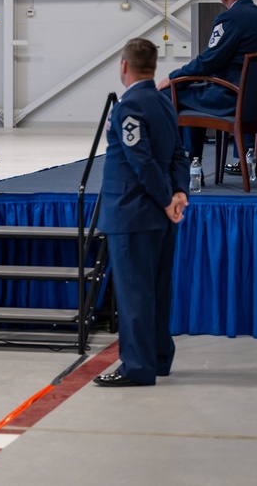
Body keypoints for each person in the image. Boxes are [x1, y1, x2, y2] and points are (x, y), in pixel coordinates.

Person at [94, 38, 190, 388]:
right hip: (161, 217)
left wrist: (167, 198)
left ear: (124, 66)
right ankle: (159, 357)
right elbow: (179, 153)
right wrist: (179, 192)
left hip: (133, 214)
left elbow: (142, 163)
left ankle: (137, 366)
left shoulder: (129, 106)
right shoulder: (164, 102)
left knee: (135, 294)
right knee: (157, 292)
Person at [156, 0, 257, 164]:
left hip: (232, 96)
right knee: (187, 92)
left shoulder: (230, 18)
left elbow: (208, 61)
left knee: (171, 93)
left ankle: (188, 163)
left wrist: (173, 78)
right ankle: (191, 161)